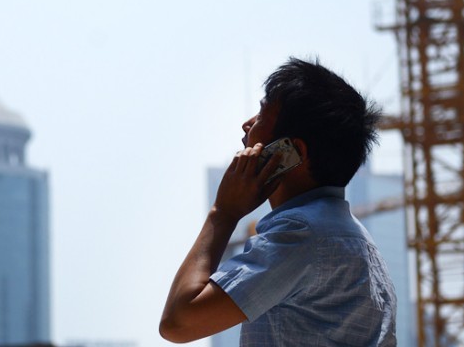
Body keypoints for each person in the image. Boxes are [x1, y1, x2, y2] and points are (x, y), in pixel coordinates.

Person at [159, 57, 396, 346]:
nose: (246, 126)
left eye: (260, 116)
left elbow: (178, 322)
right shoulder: (353, 237)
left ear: (289, 152)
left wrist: (223, 214)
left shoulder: (300, 234)